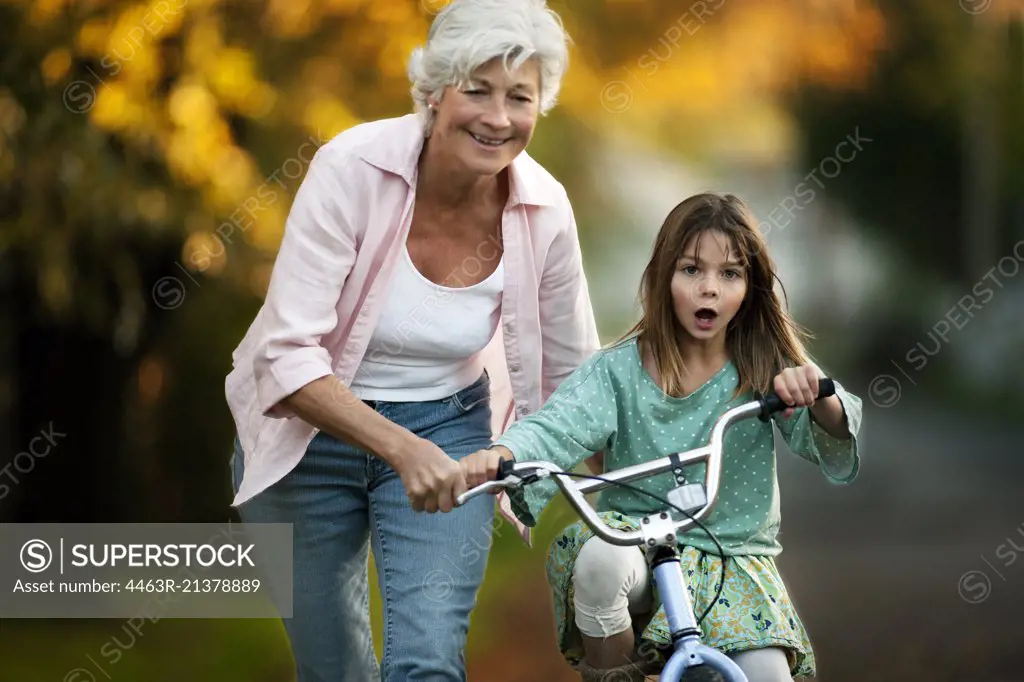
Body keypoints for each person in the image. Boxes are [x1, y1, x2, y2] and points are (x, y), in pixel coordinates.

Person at [223, 1, 600, 680]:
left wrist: (615, 494)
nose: (497, 116)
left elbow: (577, 378)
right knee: (334, 668)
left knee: (427, 663)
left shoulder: (544, 210)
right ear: (432, 92)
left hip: (450, 430)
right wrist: (401, 449)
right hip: (308, 436)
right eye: (476, 89)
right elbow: (286, 356)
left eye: (520, 96)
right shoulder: (352, 168)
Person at [454, 193, 864, 681]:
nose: (709, 288)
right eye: (691, 270)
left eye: (730, 274)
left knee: (767, 674)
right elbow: (555, 427)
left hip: (732, 560)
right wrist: (503, 454)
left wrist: (818, 395)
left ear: (750, 289)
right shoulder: (618, 371)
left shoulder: (762, 367)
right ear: (663, 277)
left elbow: (837, 426)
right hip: (638, 546)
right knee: (599, 566)